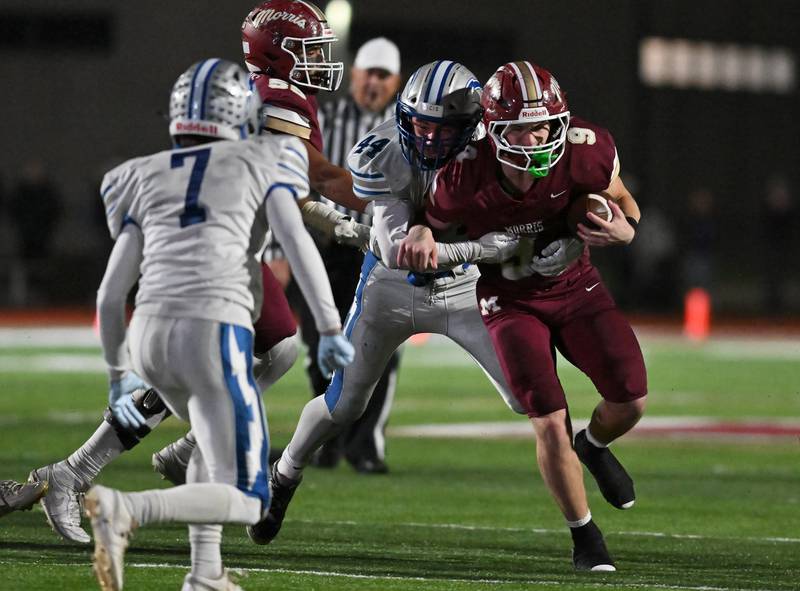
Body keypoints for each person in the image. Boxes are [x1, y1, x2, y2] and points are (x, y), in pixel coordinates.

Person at [82, 59, 353, 591]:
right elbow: (298, 248)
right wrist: (330, 328)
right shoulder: (265, 158)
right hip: (213, 330)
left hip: (148, 334)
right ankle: (125, 509)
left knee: (209, 440)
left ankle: (205, 572)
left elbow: (111, 294)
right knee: (251, 497)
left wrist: (118, 375)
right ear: (241, 110)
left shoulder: (140, 173)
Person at [246, 60, 536, 547]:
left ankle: (587, 488)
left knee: (528, 395)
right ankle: (285, 474)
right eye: (418, 123)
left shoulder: (491, 153)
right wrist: (495, 246)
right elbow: (404, 251)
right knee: (344, 405)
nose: (425, 138)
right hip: (390, 286)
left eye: (438, 128)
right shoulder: (383, 152)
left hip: (462, 289)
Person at [408, 61, 647, 571]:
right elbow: (430, 228)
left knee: (631, 398)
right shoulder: (463, 175)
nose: (538, 136)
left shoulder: (585, 152)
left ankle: (595, 444)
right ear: (494, 129)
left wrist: (625, 229)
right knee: (547, 416)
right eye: (522, 126)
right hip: (510, 299)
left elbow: (622, 198)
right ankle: (585, 537)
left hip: (576, 286)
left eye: (545, 123)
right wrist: (425, 237)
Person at [272, 37, 403, 473]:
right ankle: (325, 440)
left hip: (378, 249)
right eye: (369, 72)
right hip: (327, 244)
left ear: (396, 80)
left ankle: (363, 445)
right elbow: (303, 183)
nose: (374, 82)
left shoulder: (408, 123)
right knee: (320, 343)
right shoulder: (321, 115)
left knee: (379, 345)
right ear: (355, 74)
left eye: (383, 75)